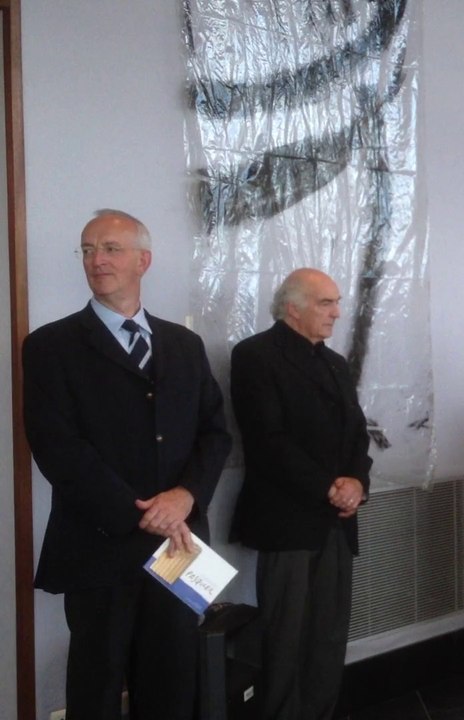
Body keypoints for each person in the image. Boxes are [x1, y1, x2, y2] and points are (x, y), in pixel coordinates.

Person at [23, 209, 231, 720]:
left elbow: (214, 433)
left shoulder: (184, 345)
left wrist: (185, 496)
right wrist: (140, 512)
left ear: (144, 260)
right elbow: (58, 448)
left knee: (173, 675)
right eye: (88, 249)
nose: (97, 260)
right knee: (96, 682)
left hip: (180, 542)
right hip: (99, 543)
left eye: (111, 248)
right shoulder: (51, 345)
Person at [230, 268, 373, 720]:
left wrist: (356, 483)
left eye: (337, 301)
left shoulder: (333, 363)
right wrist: (329, 487)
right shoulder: (255, 356)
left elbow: (356, 435)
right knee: (285, 637)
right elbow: (268, 440)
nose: (337, 312)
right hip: (287, 521)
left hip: (337, 519)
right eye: (325, 303)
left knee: (328, 636)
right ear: (293, 307)